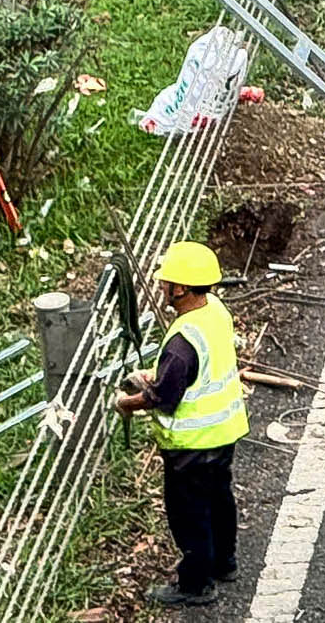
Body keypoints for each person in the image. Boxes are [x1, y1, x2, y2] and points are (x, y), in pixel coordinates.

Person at [113, 241, 248, 608]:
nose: (161, 286)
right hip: (224, 433)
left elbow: (165, 399)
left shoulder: (181, 341)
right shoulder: (215, 311)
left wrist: (127, 403)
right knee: (220, 500)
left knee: (189, 515)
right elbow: (194, 372)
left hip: (191, 445)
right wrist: (158, 376)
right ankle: (225, 562)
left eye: (166, 281)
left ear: (181, 288)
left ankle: (196, 583)